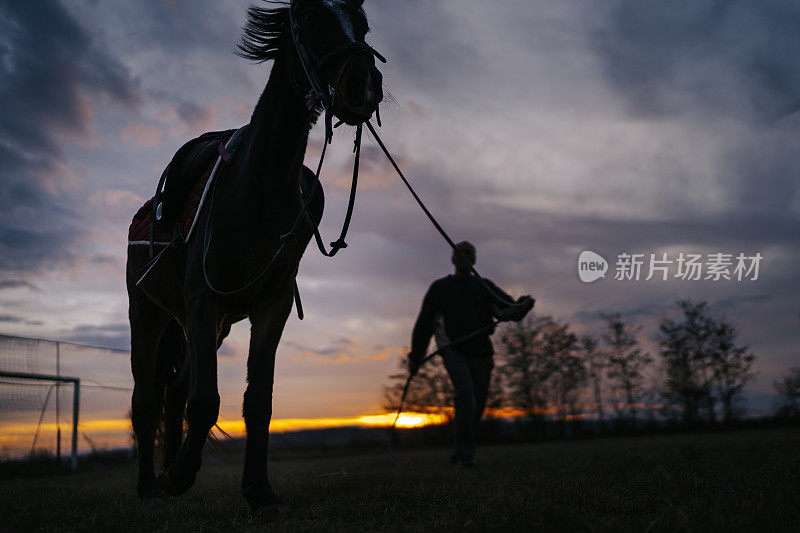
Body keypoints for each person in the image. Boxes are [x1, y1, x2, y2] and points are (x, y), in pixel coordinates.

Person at [408, 241, 533, 467]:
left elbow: (509, 310)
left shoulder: (483, 286)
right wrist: (415, 359)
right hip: (453, 351)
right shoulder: (440, 288)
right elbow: (424, 325)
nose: (465, 255)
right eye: (460, 252)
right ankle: (465, 455)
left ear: (474, 258)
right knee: (465, 394)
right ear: (453, 258)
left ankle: (462, 450)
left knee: (477, 404)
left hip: (482, 353)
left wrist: (524, 305)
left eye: (469, 252)